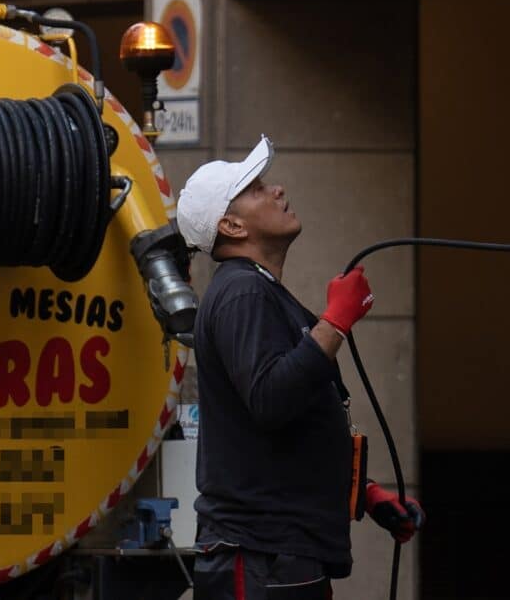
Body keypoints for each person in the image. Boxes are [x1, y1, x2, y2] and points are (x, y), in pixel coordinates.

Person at [176, 136, 425, 599]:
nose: (277, 190)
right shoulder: (242, 292)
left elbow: (286, 428)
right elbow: (271, 398)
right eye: (255, 189)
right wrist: (336, 322)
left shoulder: (258, 292)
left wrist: (364, 492)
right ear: (230, 225)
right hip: (259, 554)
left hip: (279, 554)